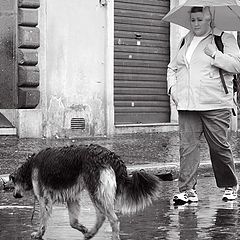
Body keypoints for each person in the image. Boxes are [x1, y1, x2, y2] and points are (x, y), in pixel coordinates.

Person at [167, 6, 240, 204]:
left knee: (219, 147)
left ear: (209, 19)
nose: (196, 24)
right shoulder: (186, 40)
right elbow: (173, 67)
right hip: (187, 104)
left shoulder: (224, 39)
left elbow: (236, 65)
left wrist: (215, 54)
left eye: (200, 19)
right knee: (187, 148)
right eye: (193, 20)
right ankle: (188, 190)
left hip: (215, 103)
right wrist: (172, 89)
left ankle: (230, 186)